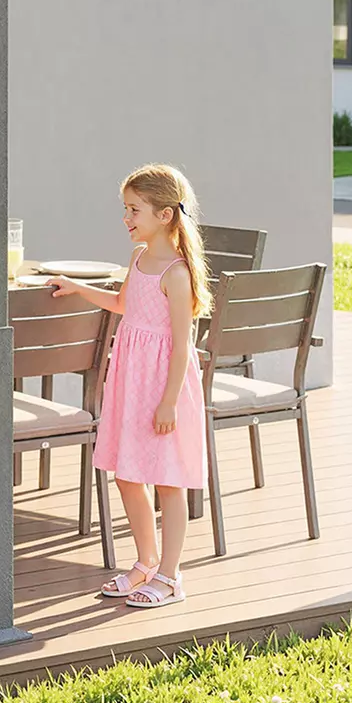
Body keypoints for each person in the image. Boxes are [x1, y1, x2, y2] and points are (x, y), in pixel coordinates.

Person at [49, 163, 211, 610]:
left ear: (163, 215)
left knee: (169, 482)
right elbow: (123, 304)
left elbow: (183, 346)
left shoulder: (176, 274)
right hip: (131, 379)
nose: (126, 219)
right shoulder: (139, 259)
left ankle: (171, 576)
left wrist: (169, 402)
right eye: (126, 209)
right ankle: (145, 562)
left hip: (164, 386)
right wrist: (77, 288)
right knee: (127, 475)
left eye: (134, 210)